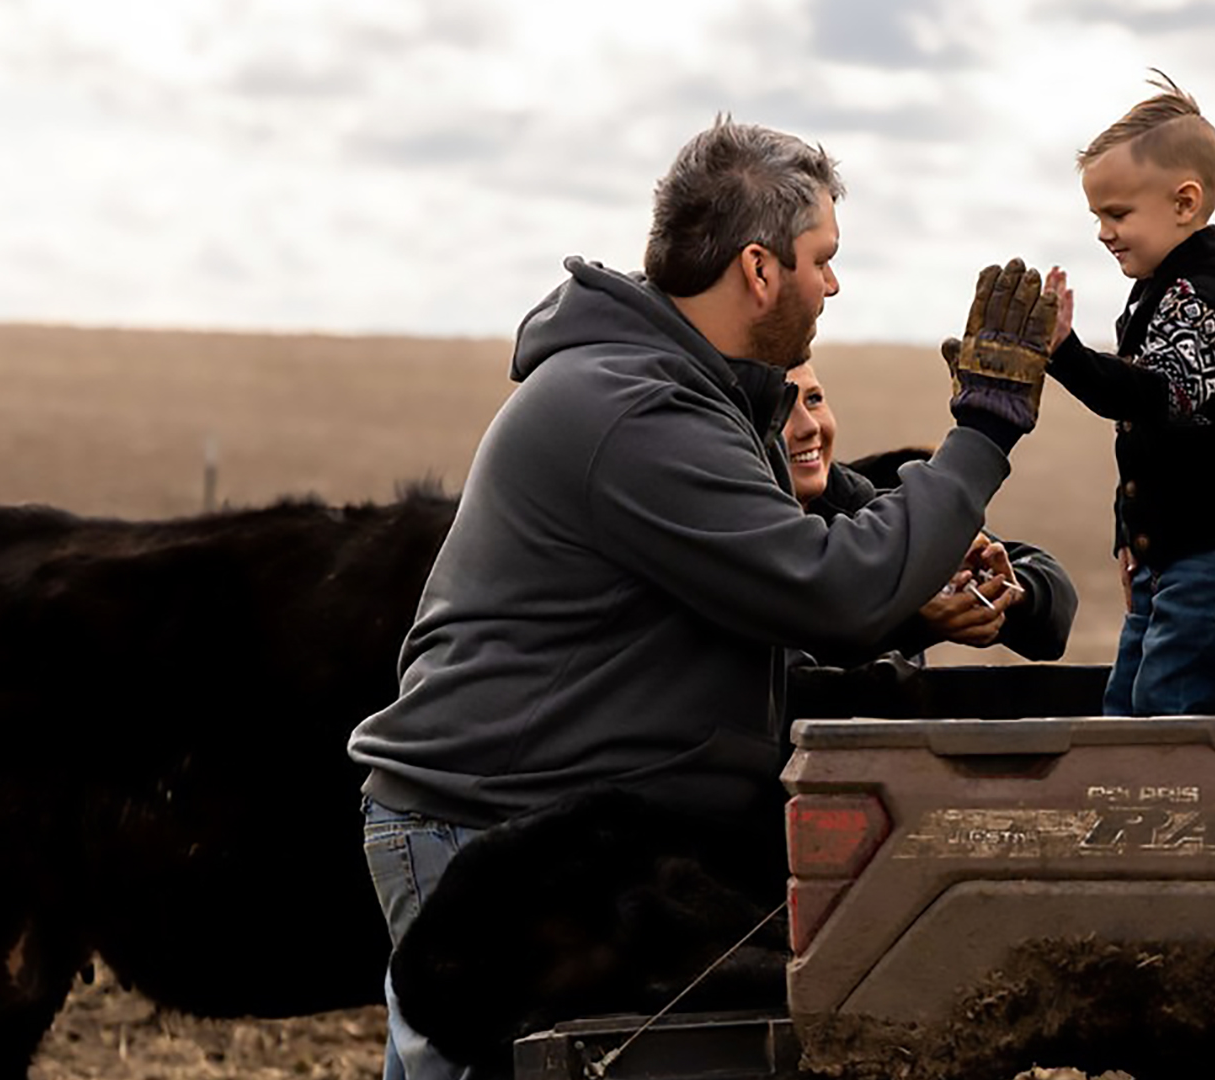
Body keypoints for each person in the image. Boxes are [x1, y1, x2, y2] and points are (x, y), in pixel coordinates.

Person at [346, 118, 1058, 1079]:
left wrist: (936, 588)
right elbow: (830, 589)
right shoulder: (634, 407)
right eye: (823, 260)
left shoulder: (699, 397)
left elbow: (816, 577)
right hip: (494, 841)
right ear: (760, 271)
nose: (833, 287)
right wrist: (984, 427)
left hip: (561, 837)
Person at [1041, 73, 1215, 717]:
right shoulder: (1158, 291)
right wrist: (1134, 539)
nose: (1103, 232)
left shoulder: (1201, 300)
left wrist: (1062, 351)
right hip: (1174, 545)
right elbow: (1150, 446)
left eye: (1116, 214)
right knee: (1126, 702)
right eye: (1097, 216)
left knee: (1168, 703)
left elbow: (1148, 399)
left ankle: (1172, 814)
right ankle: (1131, 806)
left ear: (1184, 203)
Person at [781, 359, 1076, 665]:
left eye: (813, 399)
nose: (810, 426)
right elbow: (790, 660)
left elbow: (1054, 600)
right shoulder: (737, 535)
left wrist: (1009, 592)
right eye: (781, 408)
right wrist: (915, 619)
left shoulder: (854, 500)